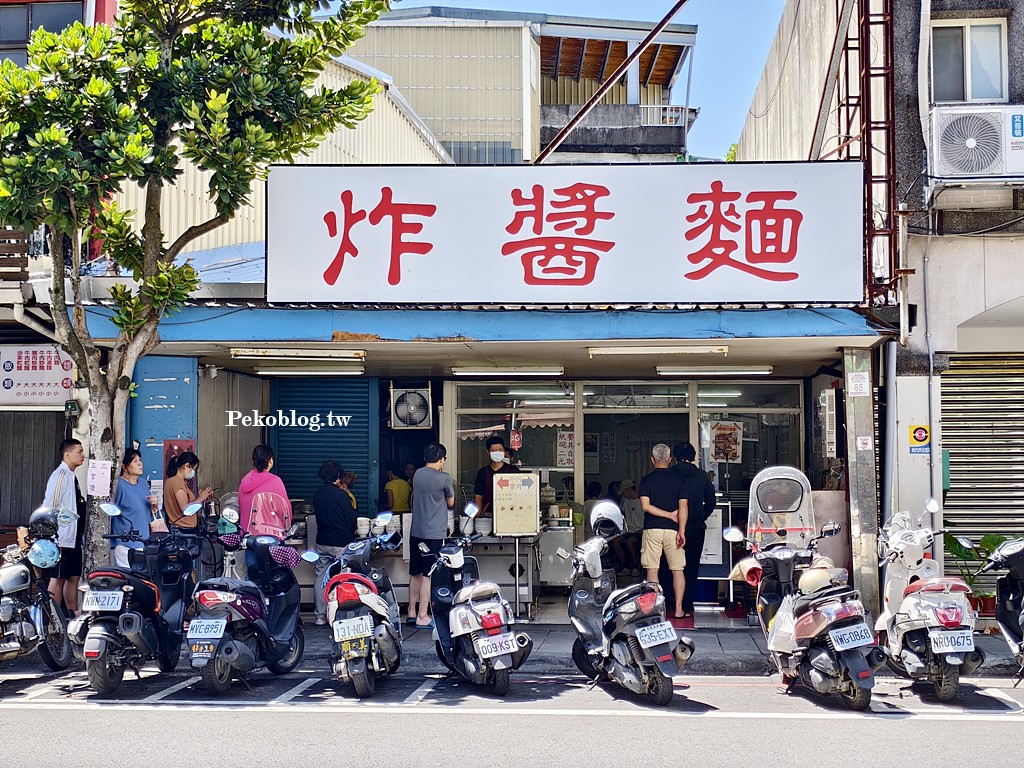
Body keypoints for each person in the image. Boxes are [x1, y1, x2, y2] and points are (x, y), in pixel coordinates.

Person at [638, 443, 688, 619]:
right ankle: (679, 610)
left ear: (652, 460)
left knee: (652, 570)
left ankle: (654, 611)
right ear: (669, 459)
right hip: (673, 531)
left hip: (652, 529)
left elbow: (645, 506)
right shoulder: (680, 480)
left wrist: (665, 515)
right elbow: (683, 506)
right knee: (677, 570)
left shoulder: (646, 481)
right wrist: (681, 530)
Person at [408, 442, 454, 629]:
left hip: (416, 531)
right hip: (434, 533)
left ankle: (411, 612)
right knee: (429, 574)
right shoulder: (444, 478)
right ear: (442, 459)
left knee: (415, 572)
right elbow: (451, 503)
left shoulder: (418, 474)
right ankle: (423, 615)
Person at [673, 441, 718, 618]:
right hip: (696, 527)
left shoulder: (671, 474)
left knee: (672, 566)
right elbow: (711, 502)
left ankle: (671, 602)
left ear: (675, 457)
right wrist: (701, 516)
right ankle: (687, 604)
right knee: (691, 566)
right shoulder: (702, 476)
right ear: (693, 456)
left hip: (673, 526)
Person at [312, 460, 359, 626]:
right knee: (343, 576)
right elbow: (353, 518)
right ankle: (342, 614)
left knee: (321, 577)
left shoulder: (317, 495)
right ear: (338, 477)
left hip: (323, 541)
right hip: (341, 543)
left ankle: (320, 616)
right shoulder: (341, 495)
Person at [43, 438, 86, 616]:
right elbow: (50, 506)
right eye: (79, 452)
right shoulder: (60, 475)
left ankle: (72, 615)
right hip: (61, 537)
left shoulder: (72, 475)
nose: (83, 455)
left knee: (74, 577)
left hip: (74, 536)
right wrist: (56, 531)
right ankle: (54, 619)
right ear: (67, 454)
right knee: (58, 577)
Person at [111, 450, 155, 568]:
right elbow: (110, 511)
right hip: (125, 544)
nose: (140, 464)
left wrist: (154, 505)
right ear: (125, 467)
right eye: (134, 461)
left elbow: (147, 513)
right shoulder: (119, 485)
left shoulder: (144, 484)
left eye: (140, 460)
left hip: (144, 541)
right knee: (128, 582)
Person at [238, 444, 289, 533]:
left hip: (246, 535)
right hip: (269, 537)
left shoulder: (244, 481)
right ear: (270, 461)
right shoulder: (275, 481)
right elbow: (284, 511)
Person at [472, 435, 520, 517]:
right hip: (488, 516)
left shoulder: (513, 471)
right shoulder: (483, 472)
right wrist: (478, 517)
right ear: (488, 453)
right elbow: (478, 496)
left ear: (504, 451)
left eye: (500, 450)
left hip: (510, 515)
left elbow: (520, 495)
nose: (497, 452)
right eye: (494, 450)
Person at [164, 451, 212, 529]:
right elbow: (186, 509)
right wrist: (201, 498)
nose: (194, 472)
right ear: (187, 465)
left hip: (178, 528)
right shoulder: (177, 483)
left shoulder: (170, 481)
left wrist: (198, 500)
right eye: (194, 469)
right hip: (183, 531)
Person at [611, 479, 643, 576]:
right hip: (628, 530)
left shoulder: (642, 501)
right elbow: (622, 513)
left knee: (630, 542)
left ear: (629, 490)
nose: (623, 494)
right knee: (615, 541)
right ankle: (625, 566)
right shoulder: (625, 501)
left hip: (640, 531)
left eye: (624, 492)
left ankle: (635, 567)